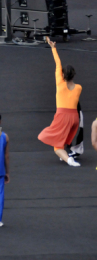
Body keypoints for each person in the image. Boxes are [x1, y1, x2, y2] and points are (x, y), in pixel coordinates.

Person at [37, 37, 82, 167]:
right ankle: (66, 155)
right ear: (73, 75)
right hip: (75, 118)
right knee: (64, 138)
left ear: (62, 75)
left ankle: (69, 160)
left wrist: (53, 48)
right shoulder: (79, 88)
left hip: (63, 116)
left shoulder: (59, 84)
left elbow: (58, 64)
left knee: (56, 146)